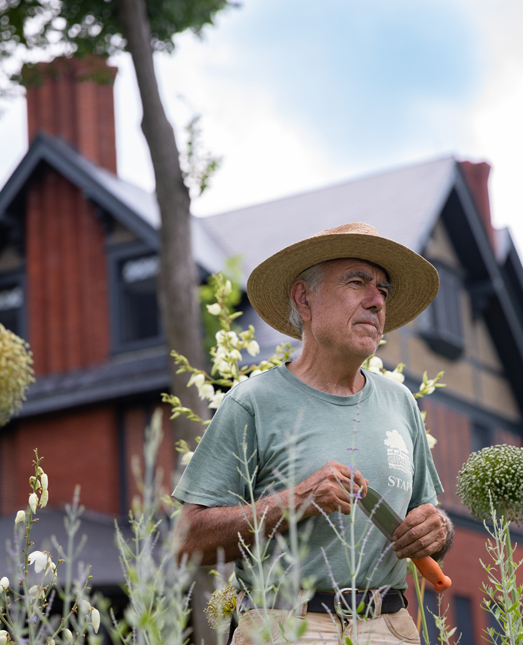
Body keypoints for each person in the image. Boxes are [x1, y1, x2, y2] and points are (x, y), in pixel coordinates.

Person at [172, 222, 453, 645]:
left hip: (391, 628)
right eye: (357, 282)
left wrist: (439, 530)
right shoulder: (252, 403)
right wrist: (297, 501)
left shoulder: (401, 404)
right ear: (304, 299)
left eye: (383, 290)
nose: (377, 301)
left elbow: (429, 527)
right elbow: (187, 540)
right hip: (288, 625)